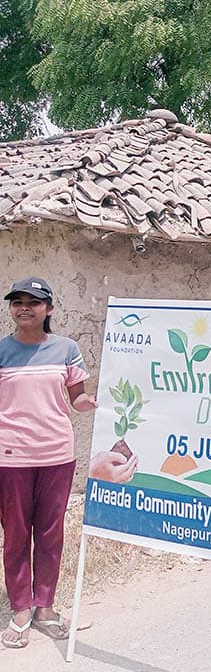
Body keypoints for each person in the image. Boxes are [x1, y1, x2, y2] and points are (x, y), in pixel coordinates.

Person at [0, 277, 97, 649]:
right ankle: (20, 610)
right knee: (16, 534)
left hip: (57, 455)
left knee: (50, 533)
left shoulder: (66, 349)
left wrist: (96, 403)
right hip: (11, 457)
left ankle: (45, 608)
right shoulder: (2, 350)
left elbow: (78, 400)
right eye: (18, 302)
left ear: (49, 309)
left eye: (34, 302)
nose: (25, 308)